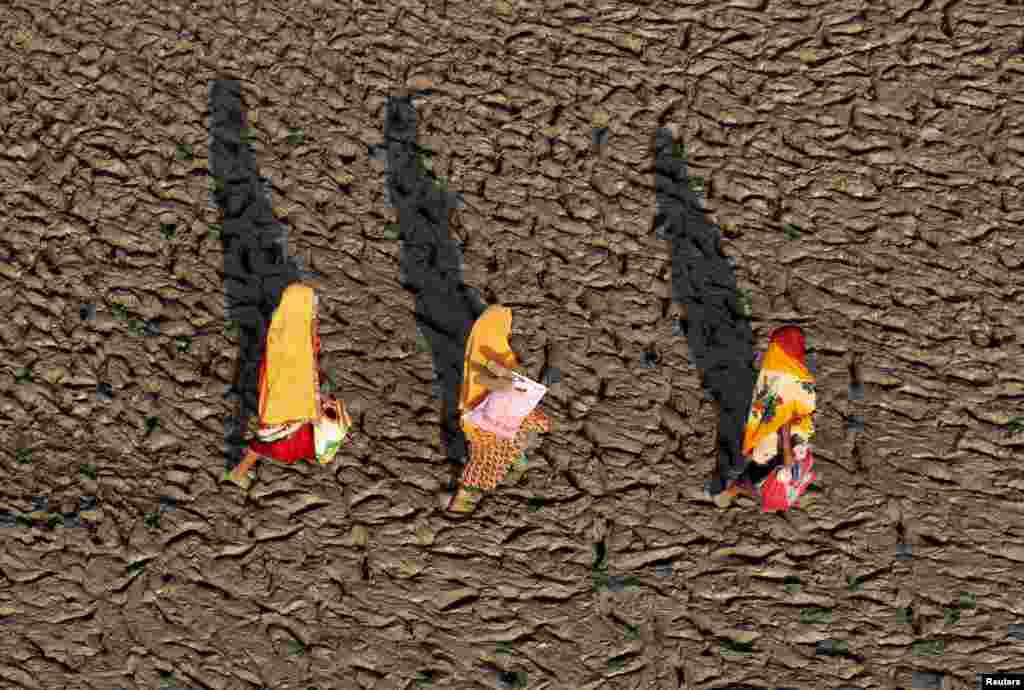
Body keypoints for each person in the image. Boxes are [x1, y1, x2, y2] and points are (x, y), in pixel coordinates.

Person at [225, 283, 352, 493]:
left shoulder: (282, 325)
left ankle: (240, 472)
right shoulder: (304, 331)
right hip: (294, 400)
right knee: (272, 439)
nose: (314, 314)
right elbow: (308, 360)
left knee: (270, 436)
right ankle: (238, 472)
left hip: (280, 394)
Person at [441, 305, 552, 514]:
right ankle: (467, 495)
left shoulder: (505, 370)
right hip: (488, 423)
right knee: (488, 461)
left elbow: (490, 379)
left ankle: (475, 491)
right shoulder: (501, 372)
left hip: (495, 422)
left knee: (498, 456)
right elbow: (483, 378)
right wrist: (504, 383)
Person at [708, 325, 817, 511]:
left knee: (748, 475)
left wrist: (784, 430)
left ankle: (730, 489)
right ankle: (733, 490)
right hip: (783, 444)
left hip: (777, 441)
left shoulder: (777, 362)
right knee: (750, 474)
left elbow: (770, 392)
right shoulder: (802, 375)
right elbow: (805, 406)